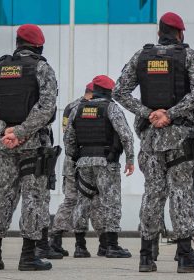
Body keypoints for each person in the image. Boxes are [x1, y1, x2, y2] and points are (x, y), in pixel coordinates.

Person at [112, 12, 194, 273]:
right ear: (180, 34)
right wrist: (170, 114)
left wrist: (148, 113)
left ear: (159, 33)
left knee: (153, 194)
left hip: (151, 138)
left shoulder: (141, 57)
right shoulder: (188, 56)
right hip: (180, 138)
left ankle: (146, 257)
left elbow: (118, 91)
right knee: (181, 194)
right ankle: (185, 256)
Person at [0, 24, 59, 271]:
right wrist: (21, 132)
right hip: (32, 145)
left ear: (17, 42)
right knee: (33, 197)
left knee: (3, 193)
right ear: (38, 44)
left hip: (4, 145)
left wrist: (4, 130)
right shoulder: (41, 67)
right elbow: (46, 108)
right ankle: (28, 257)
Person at [65, 75, 134, 259]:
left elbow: (69, 138)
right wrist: (130, 159)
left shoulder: (77, 108)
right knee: (111, 202)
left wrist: (75, 158)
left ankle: (80, 246)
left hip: (83, 162)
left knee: (83, 202)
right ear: (109, 91)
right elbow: (126, 135)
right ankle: (111, 246)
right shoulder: (111, 108)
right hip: (106, 162)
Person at [49, 82, 98, 258]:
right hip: (88, 159)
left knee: (71, 199)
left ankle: (55, 239)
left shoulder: (71, 107)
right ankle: (101, 243)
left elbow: (66, 133)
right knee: (92, 200)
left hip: (71, 160)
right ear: (93, 93)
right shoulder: (97, 107)